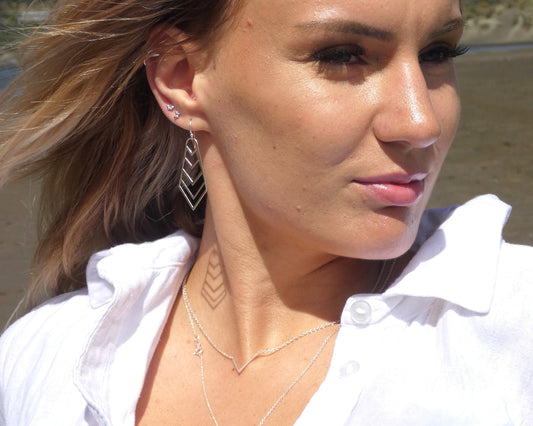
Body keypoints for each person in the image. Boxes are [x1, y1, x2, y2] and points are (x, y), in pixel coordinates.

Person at [0, 0, 532, 424]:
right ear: (183, 78)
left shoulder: (513, 338)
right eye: (342, 56)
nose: (421, 123)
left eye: (437, 52)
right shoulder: (43, 355)